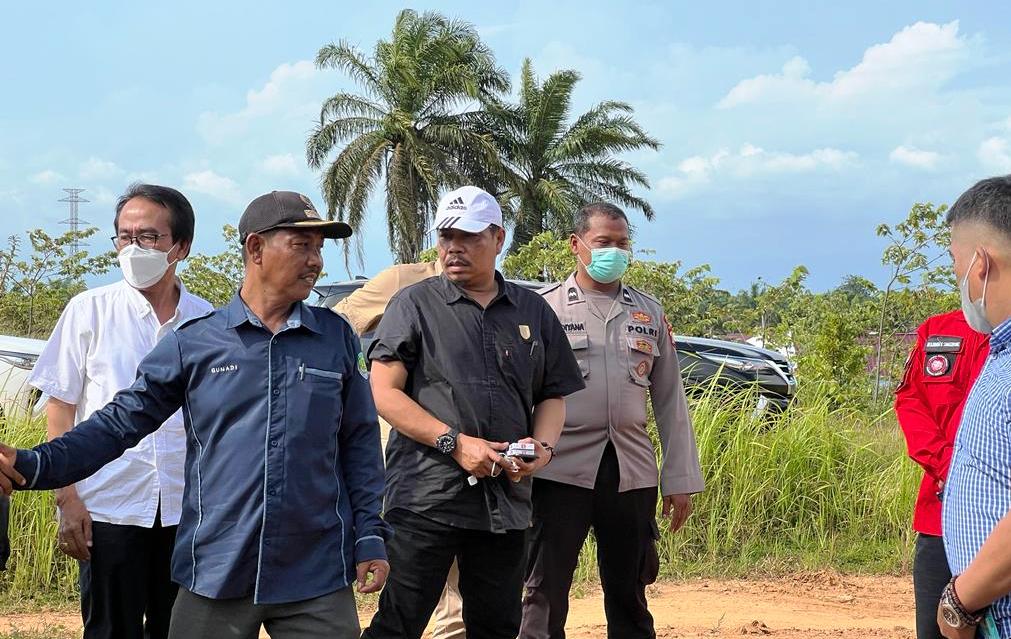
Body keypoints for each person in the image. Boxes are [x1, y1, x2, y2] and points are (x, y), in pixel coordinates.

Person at [0, 190, 389, 639]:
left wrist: (369, 534)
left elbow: (359, 442)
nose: (316, 261)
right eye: (302, 245)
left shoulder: (334, 337)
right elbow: (120, 423)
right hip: (217, 570)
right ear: (256, 248)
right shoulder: (196, 342)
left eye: (319, 248)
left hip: (315, 572)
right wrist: (35, 465)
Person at [361, 185, 585, 639]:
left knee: (499, 626)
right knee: (398, 624)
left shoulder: (532, 310)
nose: (453, 248)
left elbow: (552, 396)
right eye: (446, 237)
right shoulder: (414, 304)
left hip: (504, 503)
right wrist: (455, 443)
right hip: (427, 497)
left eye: (468, 236)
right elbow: (384, 392)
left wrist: (540, 449)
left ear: (498, 238)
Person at [23, 183, 212, 639]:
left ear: (180, 247)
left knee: (179, 630)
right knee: (109, 630)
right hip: (109, 509)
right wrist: (66, 500)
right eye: (124, 237)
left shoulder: (207, 321)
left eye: (148, 237)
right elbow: (61, 410)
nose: (133, 247)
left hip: (184, 513)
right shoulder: (88, 311)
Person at [520, 202, 704, 639]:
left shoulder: (648, 313)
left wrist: (679, 478)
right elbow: (519, 394)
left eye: (622, 244)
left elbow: (670, 399)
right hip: (558, 470)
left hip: (629, 471)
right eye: (604, 243)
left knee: (629, 591)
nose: (614, 252)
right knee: (544, 592)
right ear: (577, 245)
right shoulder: (542, 310)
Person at [333, 261, 467, 639]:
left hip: (467, 455)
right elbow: (337, 327)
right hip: (406, 453)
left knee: (458, 580)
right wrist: (361, 387)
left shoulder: (494, 297)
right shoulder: (401, 280)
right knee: (411, 574)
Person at [933, 175, 1011, 639]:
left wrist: (959, 602)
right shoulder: (998, 351)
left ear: (980, 264)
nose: (957, 276)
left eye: (954, 262)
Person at [894, 310, 988, 639]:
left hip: (999, 522)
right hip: (940, 520)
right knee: (935, 630)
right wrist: (949, 465)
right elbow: (910, 399)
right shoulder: (937, 331)